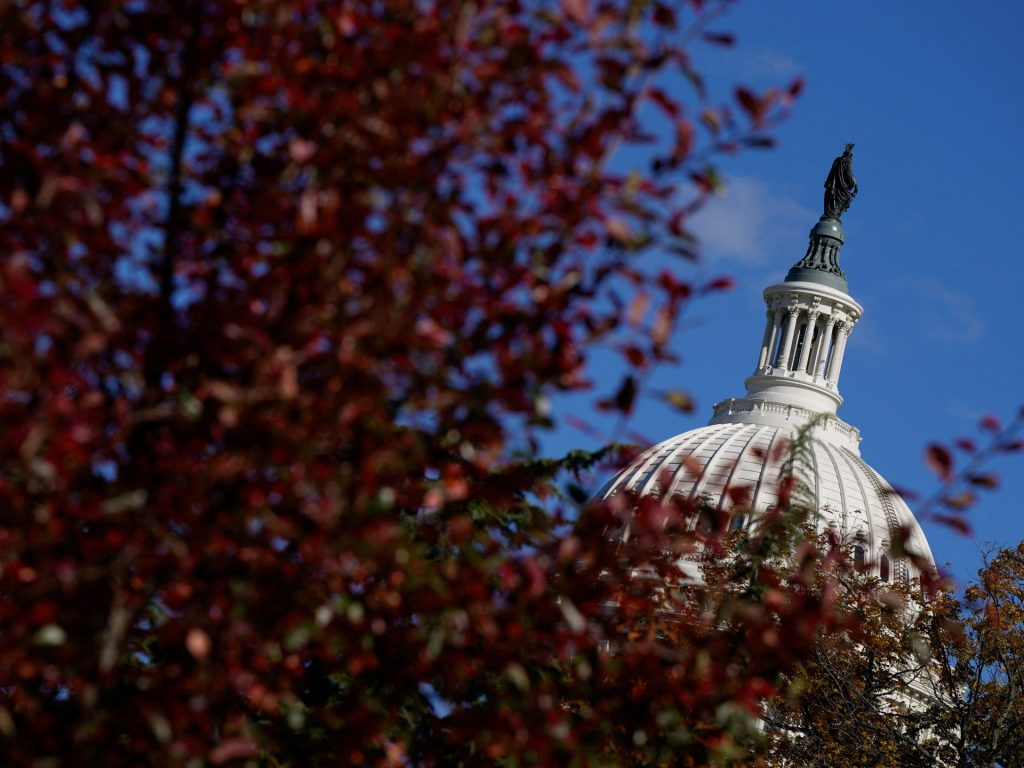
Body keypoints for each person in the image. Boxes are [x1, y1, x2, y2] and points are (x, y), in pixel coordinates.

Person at [823, 143, 857, 219]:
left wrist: (855, 184)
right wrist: (854, 183)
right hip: (836, 187)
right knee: (833, 201)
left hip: (837, 187)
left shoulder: (841, 161)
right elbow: (834, 173)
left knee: (834, 202)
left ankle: (832, 214)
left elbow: (849, 174)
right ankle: (831, 214)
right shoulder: (843, 161)